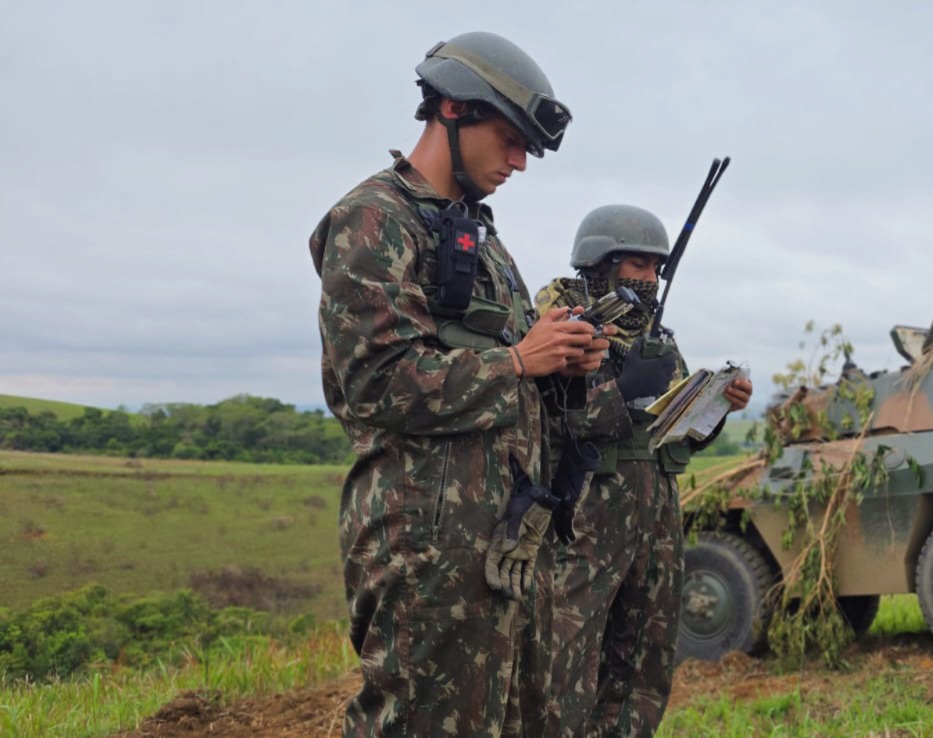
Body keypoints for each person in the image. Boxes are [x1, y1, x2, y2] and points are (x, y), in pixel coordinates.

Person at [309, 31, 610, 738]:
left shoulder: (479, 236)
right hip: (426, 550)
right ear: (450, 109)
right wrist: (518, 362)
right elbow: (373, 383)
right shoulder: (373, 219)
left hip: (502, 542)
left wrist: (563, 359)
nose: (517, 163)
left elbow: (510, 372)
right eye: (508, 140)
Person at [535, 204, 753, 737]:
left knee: (645, 655)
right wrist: (621, 388)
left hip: (654, 514)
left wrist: (717, 406)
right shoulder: (557, 324)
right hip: (585, 513)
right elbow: (548, 416)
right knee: (568, 651)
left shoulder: (656, 336)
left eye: (656, 268)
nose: (649, 278)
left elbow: (676, 432)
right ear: (600, 262)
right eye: (637, 264)